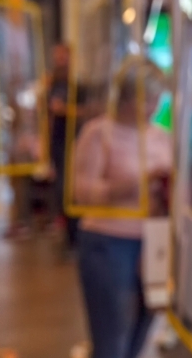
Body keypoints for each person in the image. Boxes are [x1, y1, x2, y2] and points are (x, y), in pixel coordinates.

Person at [74, 57, 172, 358]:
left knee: (144, 326)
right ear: (127, 99)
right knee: (111, 335)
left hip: (152, 242)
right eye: (148, 100)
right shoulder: (98, 133)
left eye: (157, 99)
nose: (154, 107)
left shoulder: (160, 136)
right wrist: (135, 185)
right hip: (108, 242)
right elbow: (82, 192)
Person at [47, 43, 79, 249]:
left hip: (74, 141)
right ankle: (67, 230)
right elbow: (52, 112)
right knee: (62, 187)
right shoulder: (52, 84)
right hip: (58, 142)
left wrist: (68, 110)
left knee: (70, 186)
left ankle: (72, 232)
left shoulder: (76, 85)